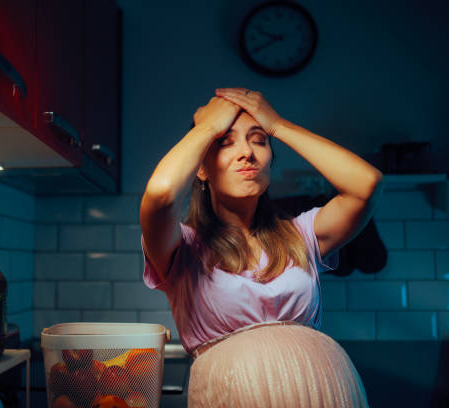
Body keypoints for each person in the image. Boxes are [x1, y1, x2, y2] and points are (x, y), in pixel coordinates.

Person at [139, 87, 383, 407]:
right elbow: (161, 195)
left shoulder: (302, 234)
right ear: (200, 168)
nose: (247, 153)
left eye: (258, 139)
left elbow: (367, 185)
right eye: (225, 143)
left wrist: (278, 125)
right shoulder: (182, 246)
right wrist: (208, 127)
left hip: (329, 393)